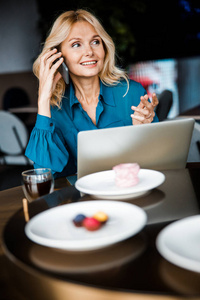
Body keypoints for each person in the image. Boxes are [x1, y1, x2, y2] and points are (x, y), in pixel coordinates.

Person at [25, 9, 159, 178]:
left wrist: (144, 133)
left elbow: (158, 162)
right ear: (58, 56)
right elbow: (43, 175)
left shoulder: (131, 93)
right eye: (76, 44)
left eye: (95, 42)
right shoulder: (54, 108)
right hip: (81, 200)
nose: (89, 52)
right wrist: (43, 100)